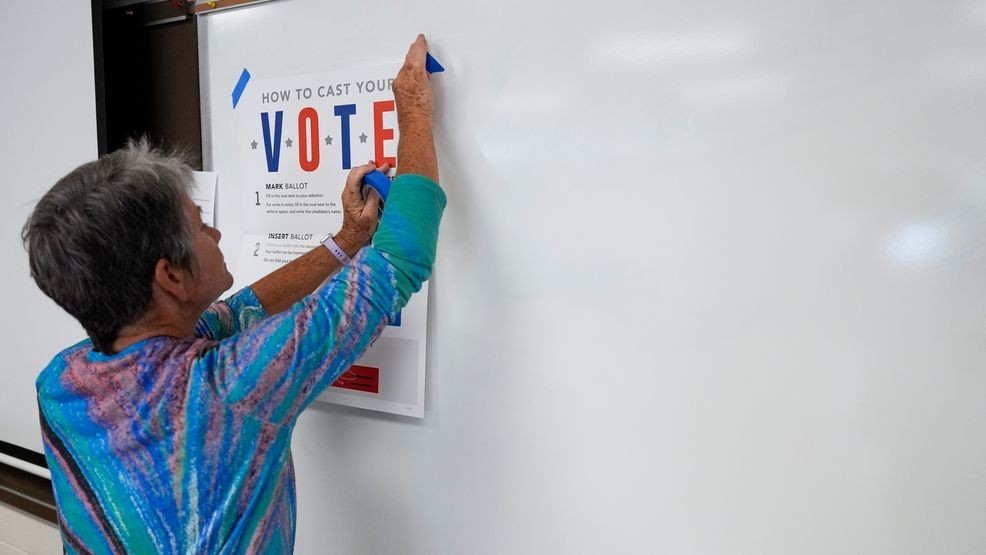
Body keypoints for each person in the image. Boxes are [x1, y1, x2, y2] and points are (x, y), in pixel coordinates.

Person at [21, 35, 443, 554]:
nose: (217, 234)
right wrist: (416, 114)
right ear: (170, 277)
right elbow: (402, 258)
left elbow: (237, 314)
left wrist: (348, 240)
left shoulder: (62, 381)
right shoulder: (231, 388)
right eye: (201, 226)